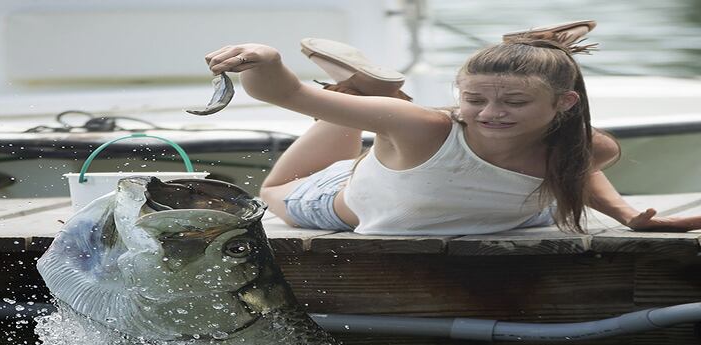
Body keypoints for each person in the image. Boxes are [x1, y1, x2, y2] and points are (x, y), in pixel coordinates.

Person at [204, 21, 701, 235]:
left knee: (391, 124)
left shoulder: (588, 145)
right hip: (345, 202)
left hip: (509, 217)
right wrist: (265, 60)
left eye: (514, 101)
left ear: (564, 103)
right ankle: (360, 97)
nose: (490, 112)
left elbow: (574, 167)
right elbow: (288, 95)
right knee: (275, 188)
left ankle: (366, 96)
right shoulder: (425, 127)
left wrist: (628, 215)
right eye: (475, 98)